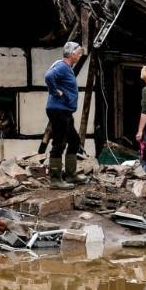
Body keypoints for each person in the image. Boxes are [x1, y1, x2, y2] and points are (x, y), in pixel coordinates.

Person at [44, 42, 88, 189]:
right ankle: (55, 179)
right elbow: (49, 76)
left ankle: (71, 175)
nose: (80, 55)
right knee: (59, 143)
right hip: (58, 110)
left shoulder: (66, 68)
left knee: (74, 141)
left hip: (64, 111)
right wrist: (55, 91)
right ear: (72, 53)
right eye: (78, 53)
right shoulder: (62, 66)